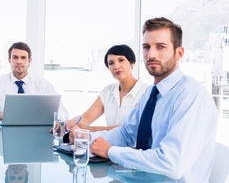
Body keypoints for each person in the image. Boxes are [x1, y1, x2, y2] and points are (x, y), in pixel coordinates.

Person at [89, 17, 218, 182]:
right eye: (146, 47)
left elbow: (171, 163)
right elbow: (127, 133)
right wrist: (87, 139)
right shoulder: (152, 92)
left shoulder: (191, 96)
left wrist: (110, 151)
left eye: (161, 47)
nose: (151, 54)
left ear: (179, 53)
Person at [0, 42, 67, 120]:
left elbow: (64, 114)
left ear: (29, 61)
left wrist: (44, 116)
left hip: (35, 135)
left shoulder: (43, 86)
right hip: (3, 138)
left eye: (23, 58)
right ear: (9, 60)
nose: (19, 61)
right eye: (15, 57)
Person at [67, 44, 148, 137]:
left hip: (134, 150)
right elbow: (86, 117)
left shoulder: (146, 92)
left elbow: (130, 128)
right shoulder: (108, 91)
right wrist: (66, 124)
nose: (116, 66)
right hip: (108, 147)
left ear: (132, 62)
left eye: (121, 60)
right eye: (111, 63)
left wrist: (92, 129)